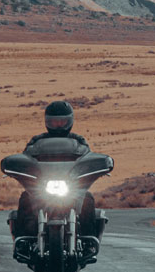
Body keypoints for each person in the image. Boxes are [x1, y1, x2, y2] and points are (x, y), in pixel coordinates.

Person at [11, 101, 102, 249]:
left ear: (69, 121)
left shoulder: (79, 141)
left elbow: (87, 159)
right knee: (26, 198)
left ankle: (89, 241)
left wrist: (94, 167)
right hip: (42, 186)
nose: (58, 125)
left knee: (87, 199)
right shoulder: (37, 142)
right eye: (54, 122)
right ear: (47, 122)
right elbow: (26, 159)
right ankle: (23, 240)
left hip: (71, 186)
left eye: (62, 121)